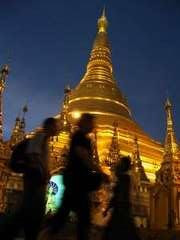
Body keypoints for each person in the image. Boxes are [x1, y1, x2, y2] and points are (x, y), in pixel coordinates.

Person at [46, 113, 107, 240]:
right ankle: (45, 235)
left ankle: (47, 234)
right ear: (84, 123)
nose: (93, 126)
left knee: (74, 216)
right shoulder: (79, 137)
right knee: (73, 217)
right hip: (76, 182)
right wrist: (99, 171)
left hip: (77, 183)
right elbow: (83, 155)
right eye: (90, 122)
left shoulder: (84, 138)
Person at [0, 117, 59, 240]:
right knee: (30, 209)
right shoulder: (40, 136)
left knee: (29, 209)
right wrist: (44, 171)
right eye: (55, 126)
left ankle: (17, 232)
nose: (57, 128)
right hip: (34, 178)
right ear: (49, 126)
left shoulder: (46, 140)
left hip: (37, 179)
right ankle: (10, 232)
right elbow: (33, 155)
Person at [103, 156, 141, 240]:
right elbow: (115, 196)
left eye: (120, 164)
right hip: (121, 210)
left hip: (121, 210)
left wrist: (108, 208)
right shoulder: (122, 179)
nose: (117, 165)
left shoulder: (125, 179)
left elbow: (119, 196)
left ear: (123, 167)